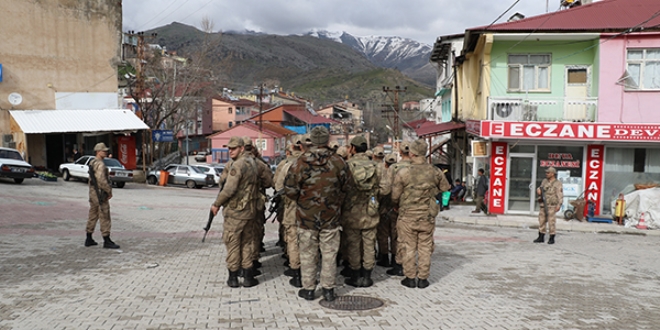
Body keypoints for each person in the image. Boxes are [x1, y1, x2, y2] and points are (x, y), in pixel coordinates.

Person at [284, 126, 352, 302]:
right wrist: (336, 201)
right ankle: (328, 289)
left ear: (312, 141)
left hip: (306, 217)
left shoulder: (299, 163)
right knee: (329, 253)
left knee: (307, 252)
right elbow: (348, 187)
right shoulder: (338, 162)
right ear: (328, 141)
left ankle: (308, 289)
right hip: (331, 216)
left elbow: (290, 191)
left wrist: (304, 199)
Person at [391, 139, 450, 289]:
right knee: (425, 246)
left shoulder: (403, 172)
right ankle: (423, 279)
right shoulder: (435, 171)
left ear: (411, 153)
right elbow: (445, 187)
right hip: (427, 216)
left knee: (408, 246)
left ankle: (410, 278)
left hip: (407, 216)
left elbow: (395, 196)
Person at [211, 136, 260, 288]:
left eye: (234, 148)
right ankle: (248, 277)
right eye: (229, 148)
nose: (230, 151)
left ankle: (233, 278)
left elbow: (229, 189)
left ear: (242, 148)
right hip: (250, 210)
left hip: (236, 211)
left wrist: (216, 204)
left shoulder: (237, 165)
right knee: (247, 243)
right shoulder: (252, 163)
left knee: (232, 242)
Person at [342, 135, 383, 288]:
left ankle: (355, 276)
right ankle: (367, 277)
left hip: (352, 211)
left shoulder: (347, 165)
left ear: (352, 148)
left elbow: (342, 188)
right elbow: (385, 189)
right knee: (369, 243)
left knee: (353, 244)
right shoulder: (376, 166)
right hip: (370, 210)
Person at [274, 137, 304, 287]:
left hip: (292, 208)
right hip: (313, 212)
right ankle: (310, 273)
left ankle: (296, 274)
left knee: (293, 240)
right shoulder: (318, 163)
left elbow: (278, 187)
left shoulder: (287, 165)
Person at [380, 141, 412, 276]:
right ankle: (402, 261)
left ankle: (393, 261)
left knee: (390, 233)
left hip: (394, 206)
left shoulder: (394, 168)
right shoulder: (416, 167)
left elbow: (386, 189)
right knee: (402, 236)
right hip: (411, 207)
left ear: (400, 152)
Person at [243, 137, 273, 273]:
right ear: (253, 148)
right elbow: (268, 182)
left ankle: (239, 264)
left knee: (240, 234)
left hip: (237, 207)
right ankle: (253, 261)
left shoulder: (233, 164)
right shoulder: (259, 164)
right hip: (255, 202)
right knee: (254, 231)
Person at [85, 142, 120, 249]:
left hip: (92, 193)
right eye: (103, 151)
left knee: (93, 214)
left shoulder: (92, 162)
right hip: (100, 193)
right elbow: (101, 180)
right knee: (104, 215)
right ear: (98, 151)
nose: (105, 152)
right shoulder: (100, 164)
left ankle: (89, 237)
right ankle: (106, 239)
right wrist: (109, 191)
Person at [534, 167, 563, 244]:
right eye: (546, 173)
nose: (546, 174)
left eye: (548, 173)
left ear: (553, 174)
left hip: (551, 205)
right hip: (543, 204)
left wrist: (559, 204)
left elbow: (559, 194)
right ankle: (541, 236)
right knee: (541, 220)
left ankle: (552, 237)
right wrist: (538, 190)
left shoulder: (557, 183)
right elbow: (540, 188)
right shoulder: (544, 181)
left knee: (551, 222)